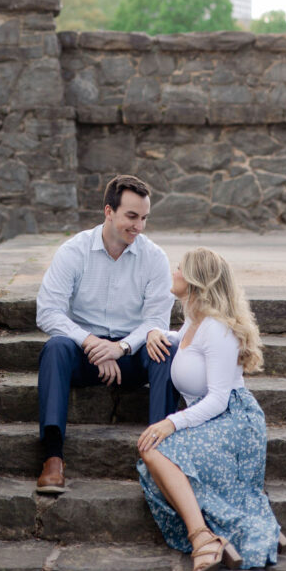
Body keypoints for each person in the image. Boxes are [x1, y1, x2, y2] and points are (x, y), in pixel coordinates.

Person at [137, 247, 284, 571]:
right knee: (150, 455)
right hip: (207, 417)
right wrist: (158, 333)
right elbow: (183, 343)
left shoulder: (216, 328)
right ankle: (205, 534)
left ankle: (201, 537)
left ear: (195, 282)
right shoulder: (194, 319)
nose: (173, 272)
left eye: (180, 268)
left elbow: (219, 398)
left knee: (152, 449)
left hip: (232, 419)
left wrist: (170, 422)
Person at [35, 174, 176, 494]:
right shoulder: (74, 251)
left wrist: (122, 348)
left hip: (131, 354)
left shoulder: (154, 257)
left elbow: (156, 319)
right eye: (131, 216)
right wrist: (92, 343)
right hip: (84, 351)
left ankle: (161, 455)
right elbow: (48, 312)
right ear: (108, 211)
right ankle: (53, 457)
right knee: (55, 348)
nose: (138, 226)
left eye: (144, 218)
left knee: (165, 348)